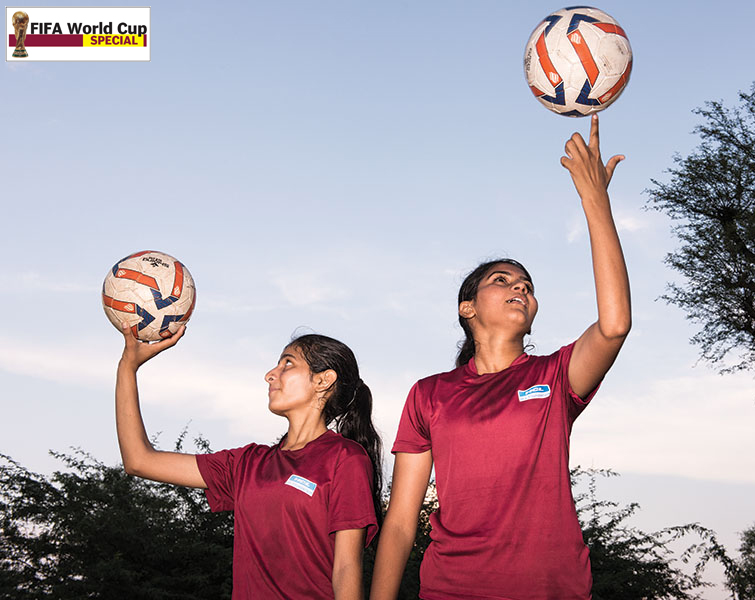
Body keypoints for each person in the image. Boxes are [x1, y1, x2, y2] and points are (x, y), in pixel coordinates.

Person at [370, 114, 630, 599]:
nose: (520, 288)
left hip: (552, 589)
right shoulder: (430, 395)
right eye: (502, 281)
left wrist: (595, 200)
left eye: (527, 286)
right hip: (451, 589)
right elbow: (403, 521)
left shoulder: (554, 376)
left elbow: (614, 325)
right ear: (467, 308)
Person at [115, 326, 382, 600]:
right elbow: (139, 460)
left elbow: (347, 568)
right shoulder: (246, 464)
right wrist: (128, 366)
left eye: (287, 363)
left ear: (323, 380)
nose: (270, 375)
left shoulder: (345, 458)